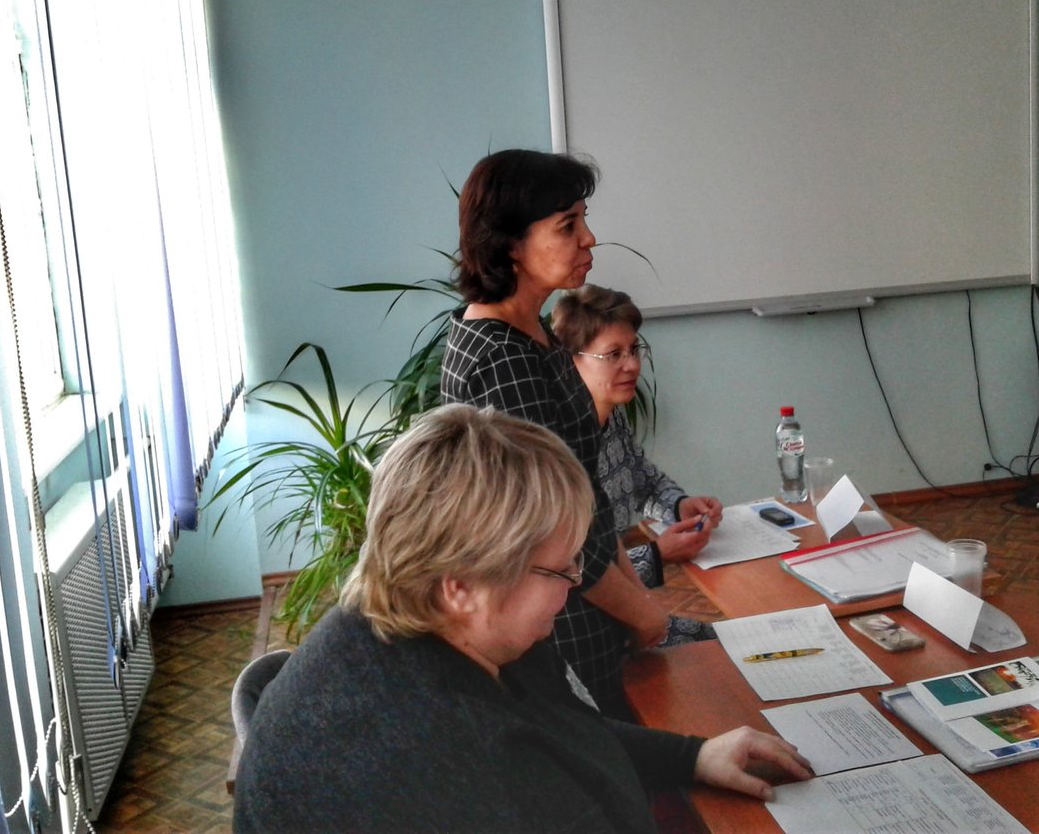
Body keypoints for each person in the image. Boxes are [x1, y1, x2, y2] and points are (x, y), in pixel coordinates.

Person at [233, 405, 813, 833]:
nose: (573, 586)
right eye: (558, 570)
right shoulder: (482, 780)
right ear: (461, 585)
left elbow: (560, 732)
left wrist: (691, 756)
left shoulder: (380, 621)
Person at [439, 148, 669, 718]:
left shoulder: (530, 332)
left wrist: (637, 598)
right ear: (510, 244)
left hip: (586, 596)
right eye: (568, 226)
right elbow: (551, 528)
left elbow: (585, 492)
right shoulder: (502, 360)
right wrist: (640, 612)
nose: (589, 239)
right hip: (557, 619)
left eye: (583, 220)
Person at [552, 284, 723, 644]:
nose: (632, 365)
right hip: (588, 633)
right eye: (613, 354)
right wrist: (658, 555)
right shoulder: (559, 449)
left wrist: (679, 505)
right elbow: (574, 578)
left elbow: (643, 479)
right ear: (571, 360)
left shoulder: (612, 416)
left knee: (721, 638)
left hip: (626, 614)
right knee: (714, 647)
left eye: (633, 350)